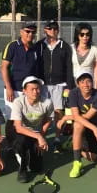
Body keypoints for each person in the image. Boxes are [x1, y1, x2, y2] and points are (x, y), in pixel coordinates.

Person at [36, 20, 74, 153]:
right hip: (43, 85)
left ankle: (57, 140)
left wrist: (69, 85)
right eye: (49, 29)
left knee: (58, 113)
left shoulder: (65, 46)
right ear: (45, 30)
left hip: (59, 85)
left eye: (54, 29)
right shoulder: (39, 46)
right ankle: (40, 139)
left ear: (58, 30)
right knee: (42, 113)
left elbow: (69, 67)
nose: (52, 31)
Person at [8, 76, 53, 183]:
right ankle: (22, 169)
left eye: (37, 88)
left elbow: (48, 120)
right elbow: (18, 128)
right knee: (21, 142)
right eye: (32, 89)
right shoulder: (18, 102)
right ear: (24, 91)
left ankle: (26, 151)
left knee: (36, 168)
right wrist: (39, 137)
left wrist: (40, 136)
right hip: (18, 131)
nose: (35, 92)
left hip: (34, 132)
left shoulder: (47, 102)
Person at [65, 70, 97, 178]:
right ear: (78, 84)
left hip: (95, 123)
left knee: (93, 158)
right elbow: (77, 117)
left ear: (92, 83)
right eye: (82, 81)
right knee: (78, 125)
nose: (86, 84)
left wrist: (68, 117)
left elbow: (87, 116)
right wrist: (94, 129)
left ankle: (74, 142)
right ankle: (77, 162)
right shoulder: (73, 93)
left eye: (88, 81)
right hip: (85, 126)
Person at [1, 22, 38, 119]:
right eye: (28, 31)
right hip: (13, 89)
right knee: (13, 118)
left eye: (33, 32)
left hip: (28, 90)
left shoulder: (35, 48)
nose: (30, 34)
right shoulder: (12, 46)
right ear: (21, 32)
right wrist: (9, 88)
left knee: (27, 118)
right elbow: (4, 67)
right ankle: (12, 135)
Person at [70, 23, 97, 88]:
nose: (85, 37)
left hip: (88, 85)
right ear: (77, 35)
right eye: (82, 34)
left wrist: (95, 85)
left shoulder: (94, 50)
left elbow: (96, 68)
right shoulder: (71, 48)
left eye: (87, 34)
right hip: (73, 84)